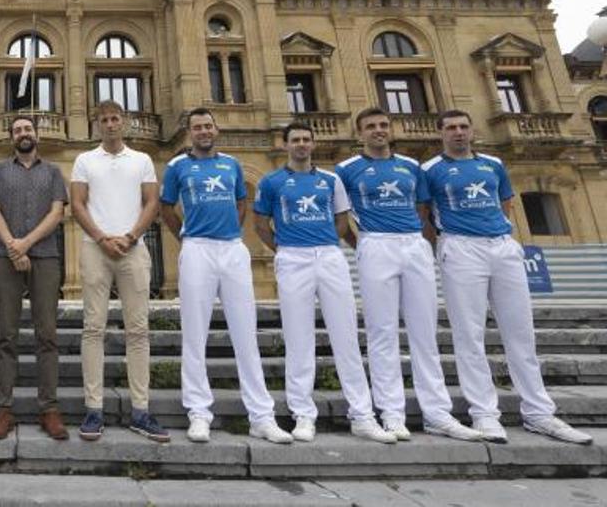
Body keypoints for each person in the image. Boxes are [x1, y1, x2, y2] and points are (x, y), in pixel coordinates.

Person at [421, 109, 592, 445]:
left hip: (502, 246)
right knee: (469, 335)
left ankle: (539, 412)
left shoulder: (493, 164)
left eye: (463, 126)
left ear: (472, 130)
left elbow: (506, 203)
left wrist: (498, 237)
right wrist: (442, 247)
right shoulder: (430, 170)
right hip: (460, 247)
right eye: (451, 128)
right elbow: (424, 215)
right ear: (440, 133)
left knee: (521, 333)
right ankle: (484, 414)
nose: (458, 132)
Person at [334, 107, 481, 442]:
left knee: (424, 330)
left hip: (413, 244)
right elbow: (340, 215)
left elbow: (424, 210)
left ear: (391, 129)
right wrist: (362, 243)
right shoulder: (346, 170)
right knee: (381, 331)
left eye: (383, 125)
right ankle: (391, 413)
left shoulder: (412, 167)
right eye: (370, 126)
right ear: (360, 133)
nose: (378, 130)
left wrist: (419, 242)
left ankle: (437, 413)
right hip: (375, 244)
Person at [252, 121, 395, 444]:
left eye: (306, 139)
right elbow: (260, 224)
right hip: (292, 258)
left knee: (345, 335)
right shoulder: (272, 181)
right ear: (285, 144)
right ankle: (303, 415)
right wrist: (284, 249)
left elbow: (342, 220)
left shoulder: (331, 179)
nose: (301, 144)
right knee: (298, 336)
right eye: (295, 140)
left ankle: (362, 415)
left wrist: (324, 242)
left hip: (329, 256)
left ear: (313, 144)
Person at [160, 107, 292, 445]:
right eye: (197, 127)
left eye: (208, 126)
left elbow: (240, 202)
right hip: (197, 248)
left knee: (245, 331)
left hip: (231, 249)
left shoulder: (232, 165)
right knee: (195, 332)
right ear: (189, 132)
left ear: (215, 130)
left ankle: (261, 416)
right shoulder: (178, 166)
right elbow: (166, 209)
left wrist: (229, 227)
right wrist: (187, 238)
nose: (203, 131)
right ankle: (199, 412)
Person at [71, 100, 165, 442]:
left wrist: (129, 236)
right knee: (92, 328)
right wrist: (101, 237)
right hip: (95, 249)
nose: (110, 124)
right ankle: (93, 409)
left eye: (115, 118)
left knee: (138, 330)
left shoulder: (141, 160)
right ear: (97, 125)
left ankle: (141, 410)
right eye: (104, 120)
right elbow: (78, 203)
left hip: (133, 249)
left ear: (122, 122)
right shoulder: (85, 160)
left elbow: (152, 202)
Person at [0, 115, 69, 441]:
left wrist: (26, 244)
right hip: (5, 258)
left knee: (47, 334)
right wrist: (12, 248)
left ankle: (49, 409)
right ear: (11, 137)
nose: (23, 134)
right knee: (6, 335)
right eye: (17, 130)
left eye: (28, 129)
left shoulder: (53, 172)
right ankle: (3, 409)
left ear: (36, 134)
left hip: (45, 257)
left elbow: (57, 212)